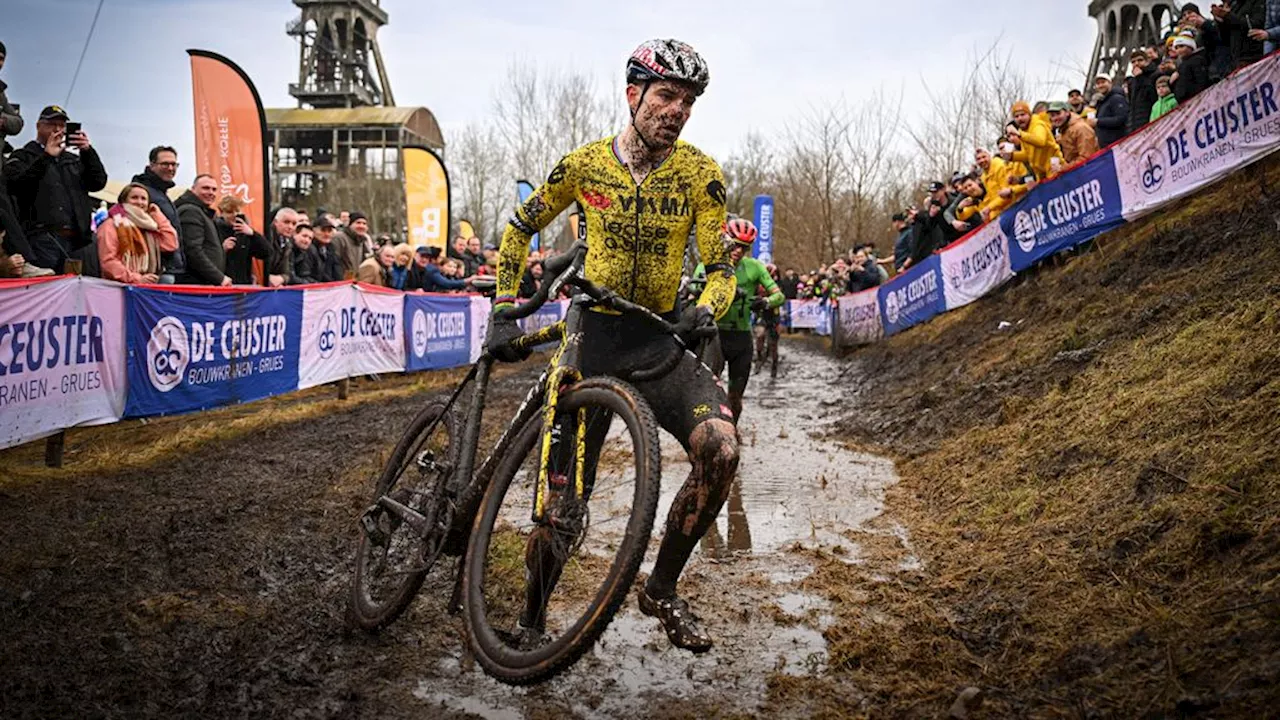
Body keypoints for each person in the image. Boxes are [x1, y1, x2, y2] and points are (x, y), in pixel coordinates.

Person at [487, 38, 740, 653]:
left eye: (687, 101)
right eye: (665, 96)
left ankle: (662, 589)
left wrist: (705, 310)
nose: (676, 110)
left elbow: (722, 269)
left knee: (722, 449)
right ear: (633, 95)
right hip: (592, 336)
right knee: (564, 505)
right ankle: (531, 617)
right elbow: (520, 226)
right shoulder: (584, 164)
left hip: (656, 335)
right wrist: (502, 308)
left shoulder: (702, 175)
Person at [694, 218, 783, 423]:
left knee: (735, 395)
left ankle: (732, 430)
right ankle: (709, 427)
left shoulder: (754, 267)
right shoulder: (708, 264)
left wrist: (765, 302)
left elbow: (779, 296)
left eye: (744, 248)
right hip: (714, 335)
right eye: (735, 245)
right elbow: (693, 286)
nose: (738, 251)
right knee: (708, 389)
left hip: (741, 337)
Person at [3, 105, 108, 273]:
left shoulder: (73, 160)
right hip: (41, 239)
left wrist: (88, 152)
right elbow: (16, 186)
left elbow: (98, 182)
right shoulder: (22, 155)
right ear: (38, 126)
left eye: (61, 125)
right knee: (43, 291)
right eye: (52, 124)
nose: (58, 129)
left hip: (77, 240)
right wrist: (46, 157)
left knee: (73, 293)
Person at [95, 183, 177, 284]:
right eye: (134, 198)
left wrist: (157, 214)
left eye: (143, 199)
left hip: (146, 286)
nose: (139, 202)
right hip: (120, 286)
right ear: (123, 201)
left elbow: (170, 243)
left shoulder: (149, 225)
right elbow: (108, 261)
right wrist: (136, 278)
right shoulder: (111, 224)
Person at [133, 145, 185, 280]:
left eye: (174, 164)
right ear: (152, 165)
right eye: (165, 164)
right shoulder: (144, 192)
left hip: (166, 265)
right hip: (155, 269)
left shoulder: (161, 193)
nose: (170, 168)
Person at [174, 174, 230, 286]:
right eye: (205, 188)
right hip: (196, 284)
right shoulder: (191, 211)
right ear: (193, 189)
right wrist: (219, 278)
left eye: (214, 189)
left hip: (205, 282)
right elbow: (193, 251)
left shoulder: (203, 212)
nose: (211, 192)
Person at [214, 195, 270, 285]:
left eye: (237, 211)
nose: (234, 215)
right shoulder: (214, 230)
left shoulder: (246, 232)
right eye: (229, 212)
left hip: (243, 285)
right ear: (221, 213)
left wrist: (252, 234)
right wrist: (222, 249)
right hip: (222, 284)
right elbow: (206, 259)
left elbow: (266, 253)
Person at [1007, 101, 1063, 181]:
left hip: (1054, 166)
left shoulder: (1038, 124)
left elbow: (1040, 141)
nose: (1020, 118)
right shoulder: (1023, 131)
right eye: (1016, 116)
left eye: (1023, 115)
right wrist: (1012, 156)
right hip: (1041, 172)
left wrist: (1020, 134)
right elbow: (1027, 155)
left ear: (1029, 115)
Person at [1050, 100, 1100, 166]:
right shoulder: (1064, 129)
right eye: (1053, 115)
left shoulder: (1081, 128)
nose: (1055, 118)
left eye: (1058, 113)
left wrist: (1065, 168)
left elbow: (1086, 158)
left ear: (1067, 112)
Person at [1090, 76, 1130, 148]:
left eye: (1103, 82)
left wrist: (1098, 121)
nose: (1101, 85)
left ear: (1110, 83)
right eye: (1098, 83)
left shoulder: (1117, 98)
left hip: (1117, 145)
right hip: (1105, 146)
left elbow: (1121, 118)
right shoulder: (1102, 102)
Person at [1126, 50, 1159, 135]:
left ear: (1147, 61)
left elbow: (1153, 97)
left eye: (1140, 60)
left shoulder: (1155, 75)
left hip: (1149, 121)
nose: (1136, 63)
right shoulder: (1132, 82)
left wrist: (1140, 78)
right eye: (1133, 62)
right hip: (1134, 124)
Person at [1170, 36, 1212, 103]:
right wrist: (1172, 82)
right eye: (1176, 48)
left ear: (1190, 47)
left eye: (1181, 46)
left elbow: (1201, 82)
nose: (1179, 50)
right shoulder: (1181, 65)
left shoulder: (1197, 60)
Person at [264, 207, 296, 287]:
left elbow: (288, 272)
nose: (290, 227)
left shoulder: (288, 243)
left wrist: (282, 278)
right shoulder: (266, 237)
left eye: (294, 224)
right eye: (286, 222)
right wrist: (266, 278)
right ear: (275, 222)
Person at [332, 211, 368, 279]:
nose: (361, 226)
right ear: (350, 224)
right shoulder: (339, 238)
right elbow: (334, 262)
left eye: (364, 224)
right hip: (340, 281)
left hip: (354, 281)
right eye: (358, 223)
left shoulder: (362, 241)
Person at [312, 216, 342, 282]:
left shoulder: (331, 249)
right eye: (323, 230)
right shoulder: (310, 249)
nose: (327, 234)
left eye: (329, 231)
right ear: (313, 231)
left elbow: (337, 271)